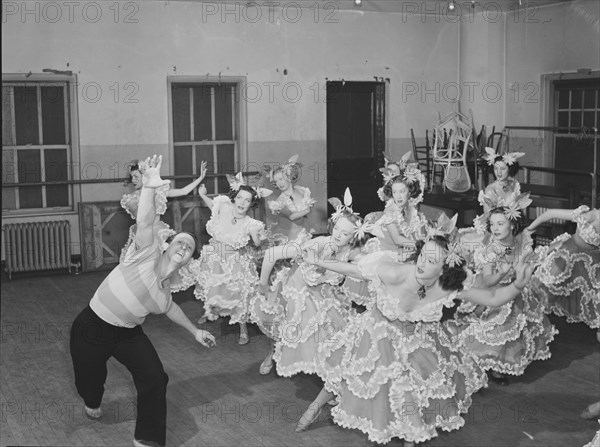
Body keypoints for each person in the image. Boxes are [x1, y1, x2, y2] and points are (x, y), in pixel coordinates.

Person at [295, 227, 535, 446]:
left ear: (445, 268)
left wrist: (517, 286)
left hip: (411, 341)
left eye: (431, 261)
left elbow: (492, 298)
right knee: (345, 373)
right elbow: (354, 270)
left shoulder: (445, 287)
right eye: (423, 255)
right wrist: (319, 261)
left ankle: (412, 436)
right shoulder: (395, 272)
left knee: (411, 391)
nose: (422, 263)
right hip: (375, 332)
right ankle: (314, 408)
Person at [69, 155, 216, 447]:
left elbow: (171, 308)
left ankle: (147, 439)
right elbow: (146, 220)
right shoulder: (145, 252)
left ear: (187, 261)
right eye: (179, 242)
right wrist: (149, 185)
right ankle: (92, 397)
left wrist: (195, 331)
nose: (184, 246)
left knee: (155, 378)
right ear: (166, 247)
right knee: (89, 381)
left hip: (127, 333)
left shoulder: (164, 294)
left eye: (189, 248)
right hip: (91, 326)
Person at [251, 188, 367, 376]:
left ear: (354, 237)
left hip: (322, 296)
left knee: (331, 335)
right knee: (282, 327)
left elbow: (369, 265)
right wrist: (263, 284)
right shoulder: (318, 243)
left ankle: (329, 373)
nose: (338, 235)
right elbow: (272, 254)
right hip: (295, 292)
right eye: (337, 228)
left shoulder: (350, 252)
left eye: (345, 233)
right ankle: (272, 353)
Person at [450, 198, 557, 385]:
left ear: (512, 224)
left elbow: (535, 227)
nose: (495, 228)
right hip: (490, 290)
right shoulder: (489, 249)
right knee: (497, 325)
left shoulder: (519, 239)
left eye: (500, 224)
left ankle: (501, 361)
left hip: (513, 289)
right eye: (492, 224)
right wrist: (503, 271)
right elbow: (489, 280)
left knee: (519, 321)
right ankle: (489, 364)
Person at [182, 173, 271, 345]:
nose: (242, 203)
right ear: (235, 198)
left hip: (233, 261)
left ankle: (243, 329)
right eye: (239, 198)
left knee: (237, 293)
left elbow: (258, 243)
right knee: (211, 285)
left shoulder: (251, 223)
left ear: (252, 203)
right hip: (214, 256)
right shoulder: (224, 206)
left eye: (247, 200)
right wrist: (202, 195)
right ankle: (210, 311)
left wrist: (259, 237)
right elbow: (212, 206)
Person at [525, 205, 600, 341]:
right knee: (547, 283)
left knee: (595, 292)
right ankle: (528, 318)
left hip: (591, 259)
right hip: (569, 252)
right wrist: (529, 229)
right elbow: (550, 212)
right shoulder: (587, 215)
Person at [120, 159, 207, 263]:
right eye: (132, 177)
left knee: (166, 263)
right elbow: (142, 220)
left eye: (136, 177)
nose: (133, 180)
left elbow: (184, 191)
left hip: (159, 232)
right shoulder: (131, 199)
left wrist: (201, 177)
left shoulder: (159, 191)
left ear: (145, 177)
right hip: (144, 235)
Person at [265, 154, 316, 246]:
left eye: (281, 179)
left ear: (289, 177)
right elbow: (292, 217)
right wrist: (307, 209)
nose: (279, 183)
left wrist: (309, 225)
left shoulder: (300, 190)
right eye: (276, 181)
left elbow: (304, 217)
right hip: (289, 235)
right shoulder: (279, 201)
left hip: (302, 232)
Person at [478, 148, 524, 214]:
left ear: (509, 169)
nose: (498, 173)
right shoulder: (491, 190)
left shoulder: (514, 184)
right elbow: (488, 217)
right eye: (496, 168)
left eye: (502, 169)